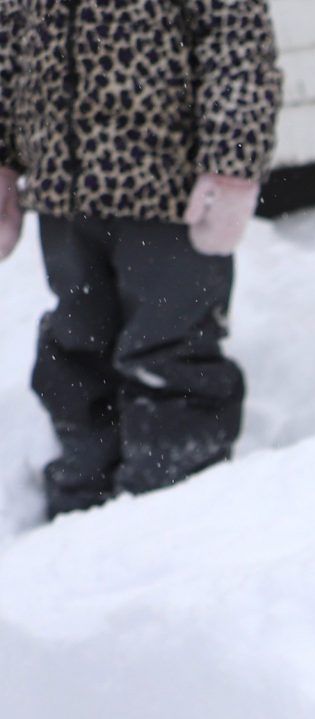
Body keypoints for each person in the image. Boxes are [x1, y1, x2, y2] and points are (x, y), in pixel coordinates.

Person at [0, 0, 282, 518]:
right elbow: (7, 48)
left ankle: (169, 510)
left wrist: (231, 167)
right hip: (64, 193)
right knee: (77, 346)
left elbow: (238, 47)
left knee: (170, 352)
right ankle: (83, 504)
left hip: (167, 193)